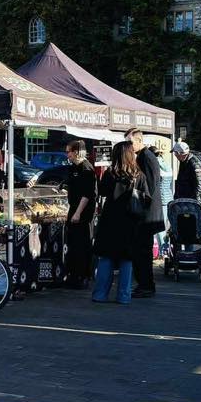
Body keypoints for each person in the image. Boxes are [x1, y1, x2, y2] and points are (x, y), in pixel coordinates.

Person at [94, 141, 144, 304]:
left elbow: (101, 191)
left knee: (106, 257)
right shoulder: (139, 175)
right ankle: (124, 295)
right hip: (130, 220)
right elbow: (146, 198)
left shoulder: (110, 173)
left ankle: (100, 294)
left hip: (110, 220)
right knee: (126, 260)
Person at [129, 129, 167, 298]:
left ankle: (146, 285)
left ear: (138, 141)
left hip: (147, 214)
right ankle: (144, 284)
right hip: (146, 213)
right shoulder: (144, 157)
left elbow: (149, 187)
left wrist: (137, 202)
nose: (129, 148)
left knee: (142, 251)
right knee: (141, 250)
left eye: (130, 143)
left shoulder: (147, 157)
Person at [63, 140, 97, 288]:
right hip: (73, 208)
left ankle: (83, 276)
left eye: (69, 151)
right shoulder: (73, 168)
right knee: (73, 243)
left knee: (82, 243)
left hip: (83, 212)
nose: (67, 155)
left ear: (76, 152)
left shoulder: (86, 168)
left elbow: (87, 194)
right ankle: (73, 274)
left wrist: (77, 213)